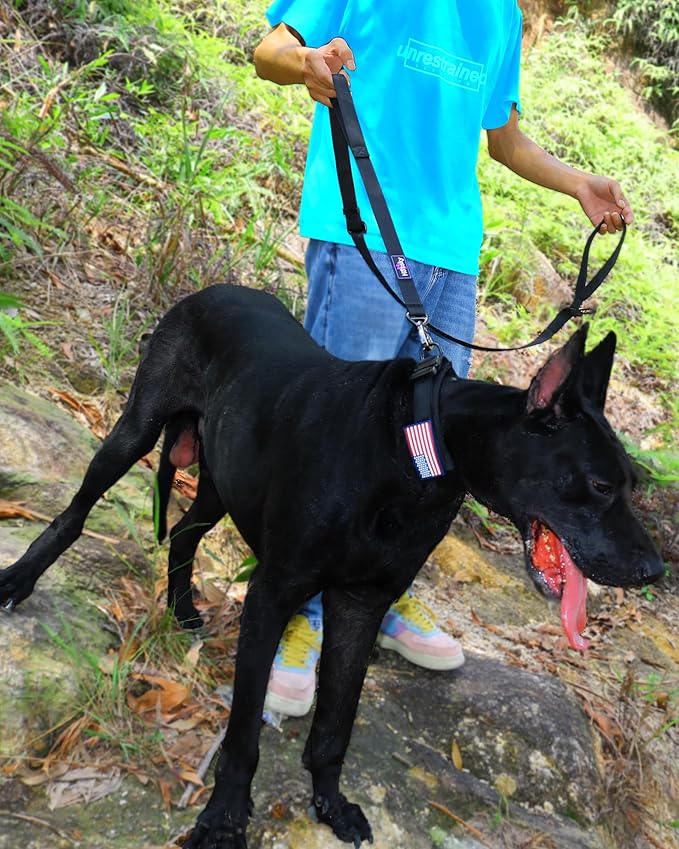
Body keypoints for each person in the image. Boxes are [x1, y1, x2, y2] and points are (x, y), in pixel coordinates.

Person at [253, 0, 632, 718]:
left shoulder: (499, 16)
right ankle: (298, 609)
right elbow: (269, 50)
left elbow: (504, 140)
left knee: (424, 442)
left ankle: (380, 590)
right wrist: (304, 64)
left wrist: (578, 183)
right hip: (361, 229)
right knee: (333, 436)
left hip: (451, 255)